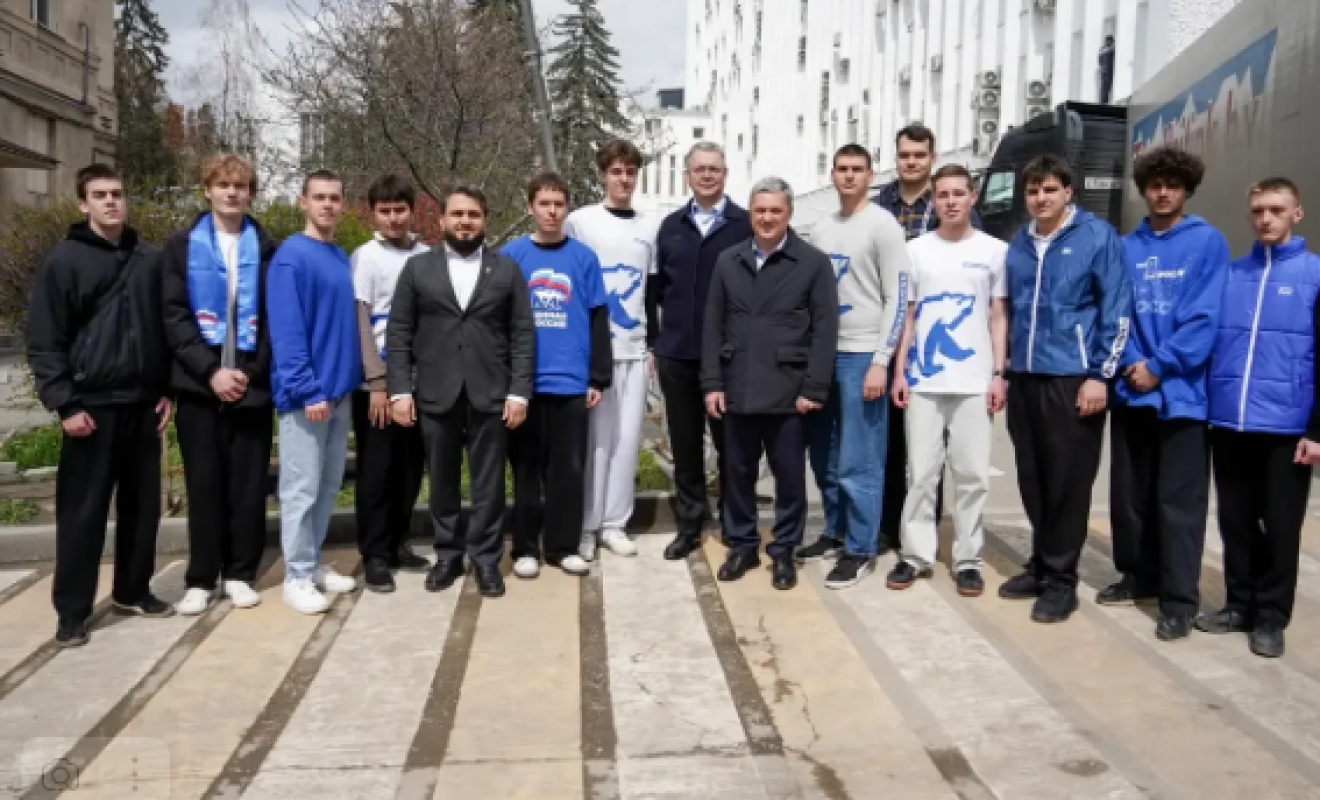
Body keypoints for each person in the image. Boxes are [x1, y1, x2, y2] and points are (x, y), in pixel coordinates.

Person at [27, 164, 175, 647]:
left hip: (142, 406)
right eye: (100, 194)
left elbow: (164, 330)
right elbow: (45, 340)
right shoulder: (64, 261)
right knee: (82, 515)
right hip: (90, 408)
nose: (111, 201)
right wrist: (64, 404)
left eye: (116, 193)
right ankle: (72, 612)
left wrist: (166, 390)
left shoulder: (149, 259)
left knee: (143, 510)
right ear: (82, 203)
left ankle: (133, 590)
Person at [999, 154, 1132, 624]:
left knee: (1067, 483)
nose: (1041, 198)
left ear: (1068, 191)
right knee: (1033, 478)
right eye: (1033, 190)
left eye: (1050, 189)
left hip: (1073, 376)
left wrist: (1100, 375)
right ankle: (1041, 562)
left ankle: (1061, 582)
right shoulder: (1020, 242)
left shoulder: (1096, 237)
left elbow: (1117, 309)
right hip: (1025, 376)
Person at [1103, 147, 1229, 641]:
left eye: (1172, 185)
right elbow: (1116, 311)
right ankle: (1138, 576)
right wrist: (1134, 362)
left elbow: (1205, 318)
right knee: (1130, 497)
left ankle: (1178, 601)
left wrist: (1159, 366)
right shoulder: (1125, 246)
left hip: (1182, 395)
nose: (1162, 192)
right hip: (1132, 390)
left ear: (1186, 190)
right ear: (1144, 189)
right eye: (1155, 184)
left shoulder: (1207, 242)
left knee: (1179, 505)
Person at [387, 186, 533, 599]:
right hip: (436, 392)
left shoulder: (506, 270)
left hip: (491, 393)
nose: (465, 221)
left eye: (473, 214)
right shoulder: (418, 269)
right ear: (442, 220)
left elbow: (522, 333)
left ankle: (486, 559)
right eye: (457, 214)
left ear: (484, 220)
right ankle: (448, 555)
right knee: (443, 482)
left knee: (489, 484)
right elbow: (399, 331)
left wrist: (519, 393)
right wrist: (399, 390)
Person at [1200, 177, 1320, 658]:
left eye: (1276, 210)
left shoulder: (1314, 274)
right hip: (1231, 422)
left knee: (1282, 528)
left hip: (1286, 427)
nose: (1265, 219)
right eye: (1257, 211)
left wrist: (1317, 430)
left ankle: (1271, 617)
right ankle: (1239, 605)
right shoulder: (1233, 275)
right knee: (1236, 522)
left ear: (1297, 214)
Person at [702, 177, 838, 591]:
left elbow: (825, 330)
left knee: (789, 479)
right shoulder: (728, 261)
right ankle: (742, 545)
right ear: (750, 213)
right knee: (737, 473)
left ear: (788, 214)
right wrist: (712, 383)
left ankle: (783, 551)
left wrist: (814, 388)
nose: (766, 218)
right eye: (760, 210)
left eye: (775, 211)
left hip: (788, 391)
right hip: (738, 385)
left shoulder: (813, 263)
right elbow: (712, 325)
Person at [163, 154, 278, 616]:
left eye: (241, 185)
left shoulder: (267, 248)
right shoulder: (181, 246)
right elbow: (174, 316)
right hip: (199, 387)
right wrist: (211, 371)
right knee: (204, 484)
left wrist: (248, 372)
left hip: (251, 386)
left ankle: (240, 573)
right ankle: (201, 578)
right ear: (207, 189)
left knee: (248, 487)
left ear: (251, 193)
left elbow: (275, 318)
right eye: (223, 185)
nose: (232, 193)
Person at [887, 164, 1009, 598]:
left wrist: (999, 374)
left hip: (975, 381)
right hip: (924, 380)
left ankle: (968, 559)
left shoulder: (995, 251)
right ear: (933, 200)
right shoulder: (915, 251)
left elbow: (998, 316)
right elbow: (908, 317)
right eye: (943, 195)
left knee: (972, 475)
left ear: (973, 197)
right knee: (921, 474)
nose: (951, 201)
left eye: (959, 193)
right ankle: (916, 554)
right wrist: (899, 371)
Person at [797, 144, 910, 589]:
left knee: (859, 459)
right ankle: (836, 530)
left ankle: (861, 547)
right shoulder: (821, 229)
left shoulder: (883, 227)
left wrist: (882, 360)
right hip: (825, 353)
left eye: (857, 169)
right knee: (824, 455)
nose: (848, 176)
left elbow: (897, 297)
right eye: (842, 169)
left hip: (864, 354)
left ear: (870, 174)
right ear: (832, 174)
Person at [871, 124, 982, 549]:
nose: (911, 162)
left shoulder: (950, 205)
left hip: (936, 339)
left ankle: (926, 531)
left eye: (919, 155)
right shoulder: (880, 206)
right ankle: (890, 527)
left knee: (935, 452)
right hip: (887, 331)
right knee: (892, 444)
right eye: (905, 155)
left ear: (932, 158)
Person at [502, 172, 612, 578]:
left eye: (558, 204)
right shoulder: (512, 255)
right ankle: (525, 548)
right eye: (544, 204)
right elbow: (498, 320)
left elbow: (598, 318)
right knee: (526, 470)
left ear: (567, 208)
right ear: (530, 207)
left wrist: (597, 377)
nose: (551, 211)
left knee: (568, 470)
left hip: (571, 382)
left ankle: (563, 546)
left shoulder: (584, 258)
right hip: (525, 384)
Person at [267, 169, 363, 615]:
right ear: (303, 202)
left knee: (327, 485)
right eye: (319, 197)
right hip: (308, 397)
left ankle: (313, 561)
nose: (327, 204)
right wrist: (307, 389)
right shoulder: (291, 257)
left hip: (339, 393)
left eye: (334, 197)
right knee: (301, 487)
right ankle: (297, 576)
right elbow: (287, 331)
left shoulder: (338, 254)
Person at [651, 142, 752, 561]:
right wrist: (657, 341)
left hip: (728, 357)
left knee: (732, 446)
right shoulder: (671, 226)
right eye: (699, 169)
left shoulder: (745, 224)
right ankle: (690, 525)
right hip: (677, 353)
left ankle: (734, 523)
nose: (707, 176)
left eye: (714, 169)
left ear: (725, 174)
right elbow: (656, 288)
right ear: (687, 176)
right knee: (685, 445)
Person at [564, 140, 658, 561]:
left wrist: (653, 343)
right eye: (616, 171)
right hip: (593, 352)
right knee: (593, 442)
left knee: (626, 439)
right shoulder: (580, 222)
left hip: (634, 350)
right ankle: (585, 525)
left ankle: (614, 523)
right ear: (603, 174)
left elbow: (651, 290)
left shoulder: (650, 226)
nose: (624, 179)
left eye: (630, 172)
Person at [350, 175, 431, 593]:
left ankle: (399, 541)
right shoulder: (366, 257)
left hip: (419, 382)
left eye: (400, 210)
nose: (394, 218)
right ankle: (375, 554)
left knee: (409, 469)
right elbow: (361, 321)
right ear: (373, 213)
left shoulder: (427, 255)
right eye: (385, 211)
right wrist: (377, 382)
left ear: (411, 211)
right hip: (378, 385)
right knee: (376, 472)